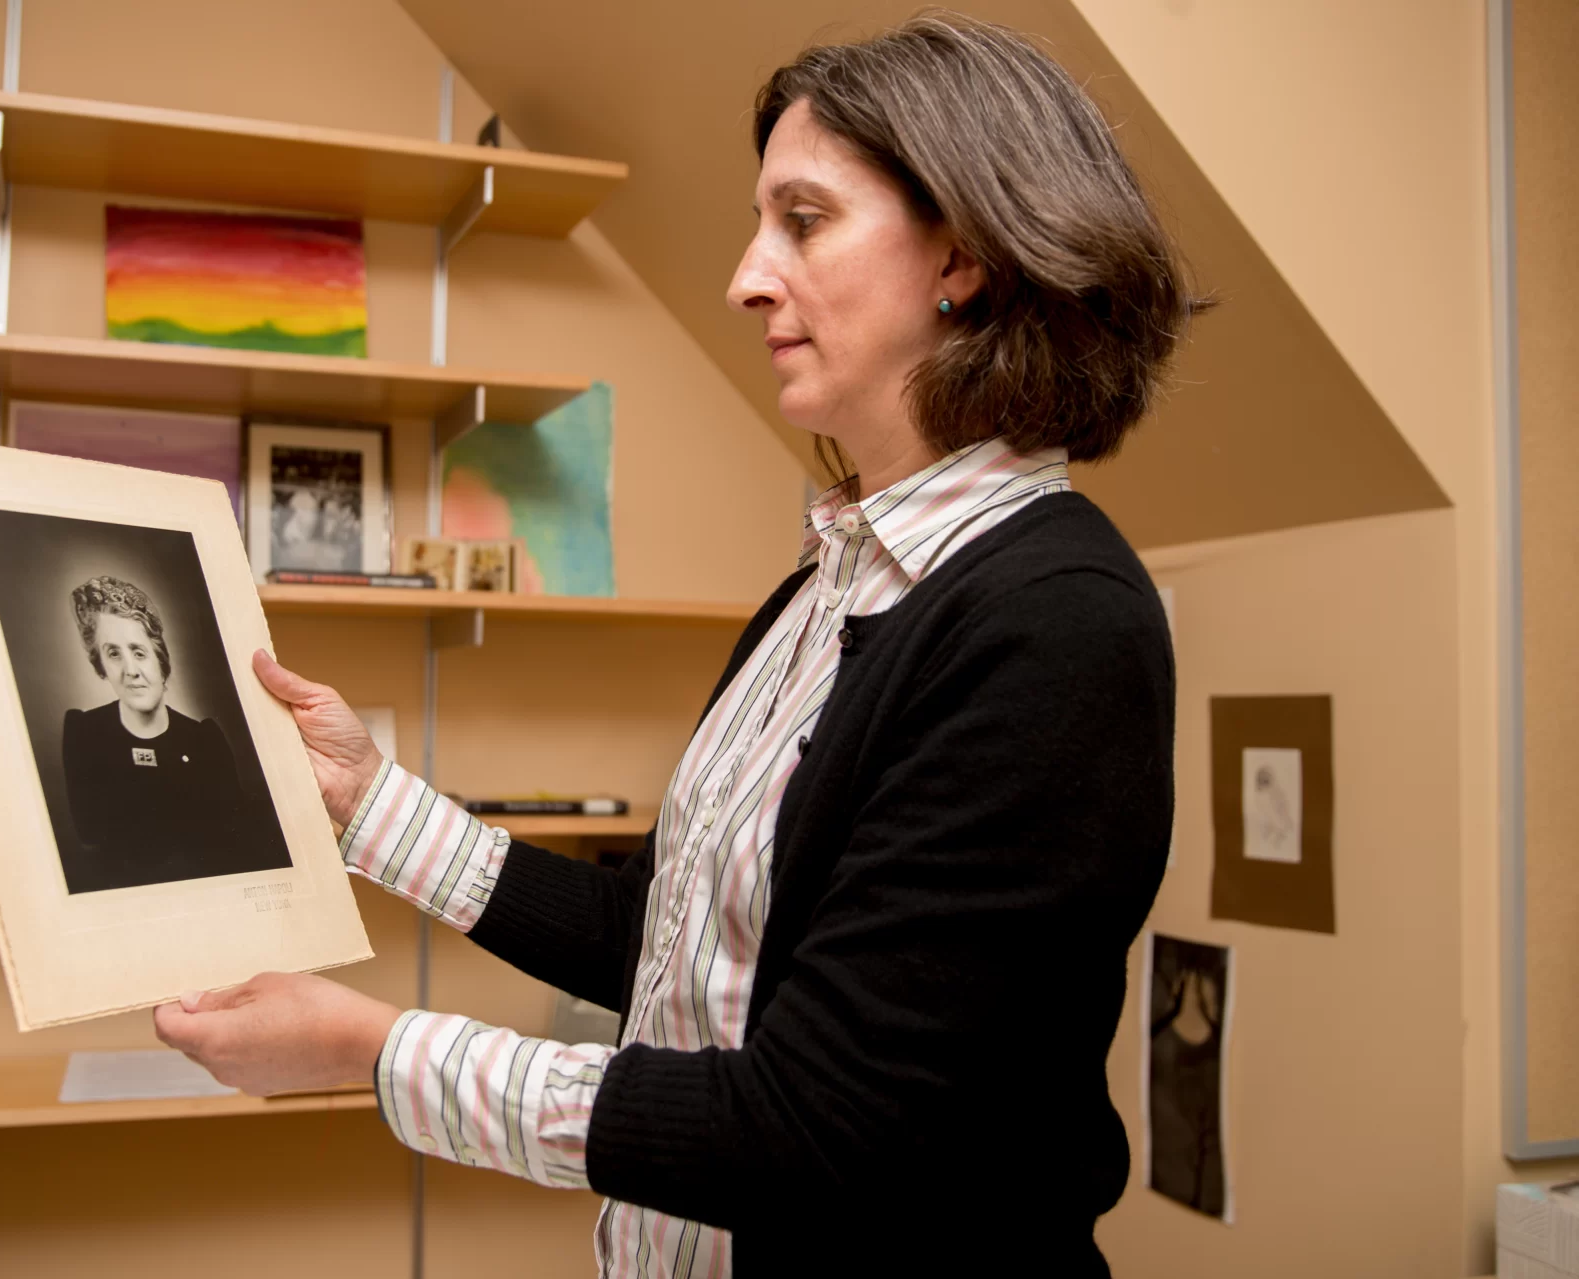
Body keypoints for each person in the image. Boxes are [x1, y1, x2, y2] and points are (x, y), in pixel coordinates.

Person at [155, 12, 1194, 1274]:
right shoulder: (825, 586)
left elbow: (821, 1123)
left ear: (962, 254)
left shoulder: (1053, 621)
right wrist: (369, 806)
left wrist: (369, 1050)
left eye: (801, 221)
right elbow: (664, 941)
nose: (745, 276)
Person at [59, 575, 264, 892]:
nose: (131, 670)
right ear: (100, 665)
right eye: (113, 654)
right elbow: (91, 835)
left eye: (139, 652)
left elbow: (233, 844)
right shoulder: (85, 734)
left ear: (160, 658)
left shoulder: (204, 740)